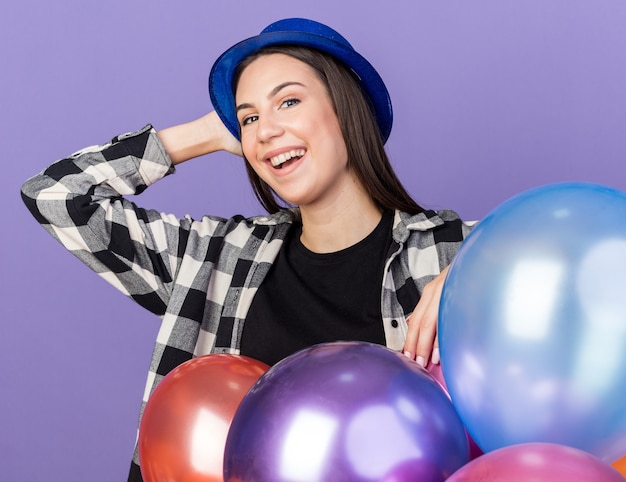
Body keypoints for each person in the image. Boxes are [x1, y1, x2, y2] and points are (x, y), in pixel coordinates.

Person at [21, 17, 475, 481]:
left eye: (289, 101)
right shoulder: (212, 258)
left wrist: (475, 271)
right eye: (250, 118)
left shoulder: (457, 253)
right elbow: (56, 197)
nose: (265, 131)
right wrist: (210, 132)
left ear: (347, 107)